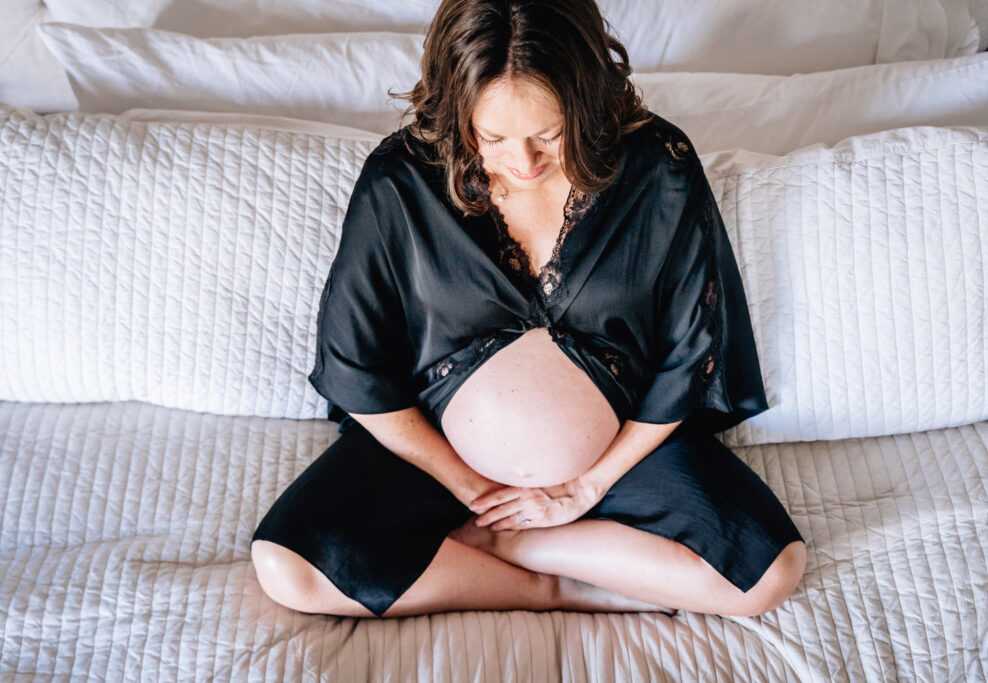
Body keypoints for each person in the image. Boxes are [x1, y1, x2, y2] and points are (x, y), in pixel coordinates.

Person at [251, 0, 806, 619]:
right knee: (288, 566)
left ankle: (510, 545)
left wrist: (582, 490)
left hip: (619, 457)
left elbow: (689, 354)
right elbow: (354, 366)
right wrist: (474, 491)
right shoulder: (400, 177)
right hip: (439, 460)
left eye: (549, 134)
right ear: (457, 112)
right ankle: (548, 586)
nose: (522, 162)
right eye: (491, 138)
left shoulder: (657, 166)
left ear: (588, 101)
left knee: (769, 575)